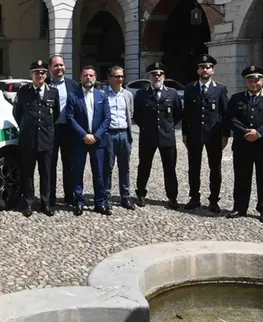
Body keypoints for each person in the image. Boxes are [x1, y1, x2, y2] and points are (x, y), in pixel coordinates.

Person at [226, 65, 263, 223]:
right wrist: (245, 132)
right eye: (250, 80)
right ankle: (240, 207)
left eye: (256, 80)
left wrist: (259, 133)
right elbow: (230, 118)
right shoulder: (237, 98)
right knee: (241, 178)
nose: (253, 83)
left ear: (262, 80)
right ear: (245, 81)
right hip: (243, 144)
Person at [181, 54, 230, 213]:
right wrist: (185, 133)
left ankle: (214, 200)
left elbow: (225, 113)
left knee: (215, 168)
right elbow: (186, 113)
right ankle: (194, 197)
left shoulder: (220, 89)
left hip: (214, 134)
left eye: (208, 67)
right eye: (202, 67)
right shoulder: (190, 88)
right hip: (194, 134)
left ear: (212, 71)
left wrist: (225, 134)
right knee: (193, 167)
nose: (205, 70)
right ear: (198, 70)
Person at [12, 60, 59, 217]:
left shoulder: (53, 92)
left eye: (42, 72)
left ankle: (46, 203)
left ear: (46, 75)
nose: (39, 75)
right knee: (28, 173)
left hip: (46, 140)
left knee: (46, 173)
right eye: (36, 72)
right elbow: (17, 113)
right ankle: (28, 203)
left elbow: (56, 115)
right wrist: (26, 128)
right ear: (31, 74)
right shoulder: (23, 91)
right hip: (28, 140)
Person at [133, 62, 183, 209]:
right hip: (147, 136)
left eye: (160, 74)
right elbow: (137, 115)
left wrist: (168, 127)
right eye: (154, 74)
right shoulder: (142, 94)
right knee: (144, 166)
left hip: (167, 137)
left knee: (170, 168)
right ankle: (141, 193)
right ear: (149, 76)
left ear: (164, 76)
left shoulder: (172, 93)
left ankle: (172, 197)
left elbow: (178, 113)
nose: (157, 77)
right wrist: (147, 127)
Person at [67, 65, 111, 216]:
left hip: (98, 141)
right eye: (85, 75)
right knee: (77, 172)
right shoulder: (74, 96)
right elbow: (70, 117)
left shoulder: (102, 96)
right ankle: (78, 201)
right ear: (81, 77)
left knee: (99, 173)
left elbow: (107, 118)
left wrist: (96, 135)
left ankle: (100, 202)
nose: (88, 78)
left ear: (95, 78)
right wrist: (84, 135)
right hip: (79, 140)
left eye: (91, 75)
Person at [46, 54, 79, 207]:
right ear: (50, 68)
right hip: (51, 130)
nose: (59, 68)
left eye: (61, 65)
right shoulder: (44, 84)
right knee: (50, 165)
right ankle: (50, 197)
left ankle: (69, 196)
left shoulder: (73, 85)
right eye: (55, 65)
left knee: (69, 164)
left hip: (68, 130)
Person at [102, 65, 135, 210]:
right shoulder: (103, 94)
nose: (120, 79)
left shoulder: (128, 95)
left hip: (124, 134)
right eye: (117, 76)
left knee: (125, 167)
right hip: (109, 134)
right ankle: (106, 196)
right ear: (109, 78)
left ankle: (125, 196)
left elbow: (131, 113)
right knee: (107, 167)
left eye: (122, 76)